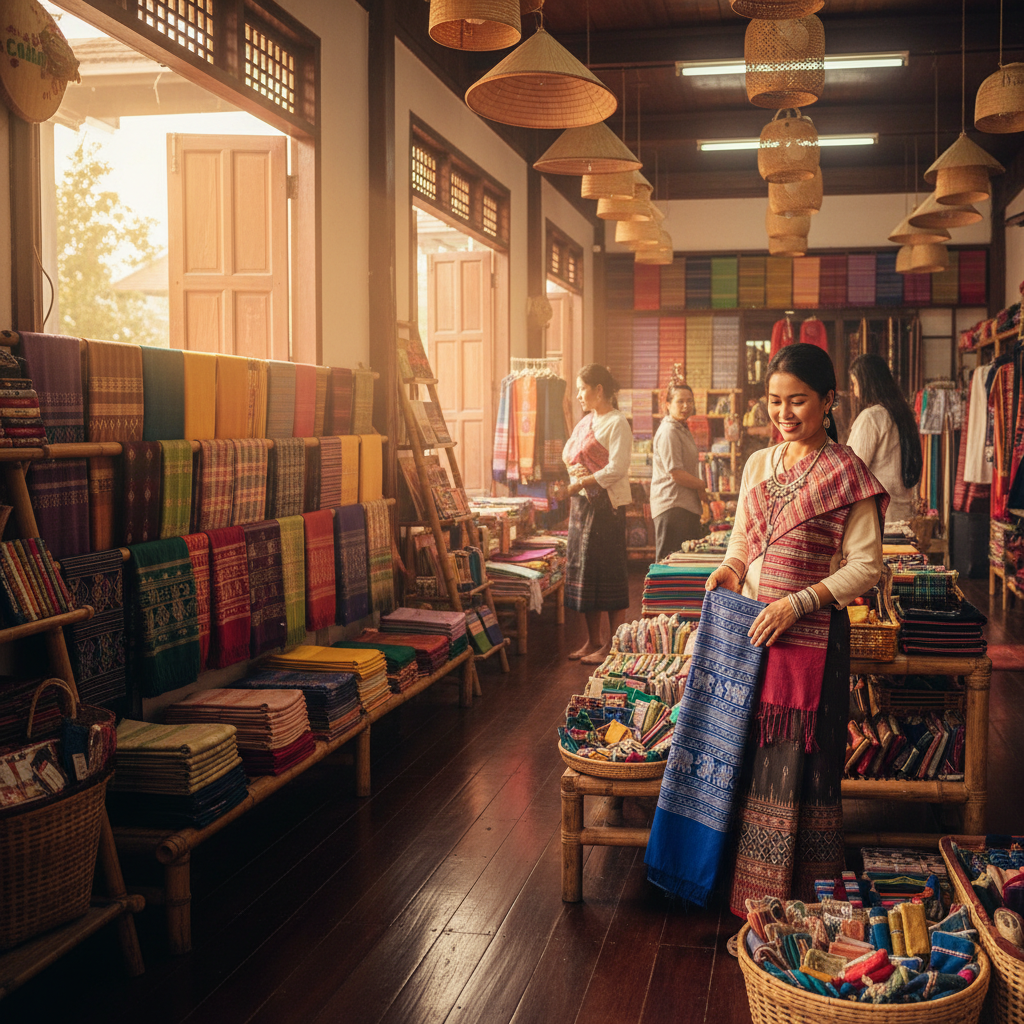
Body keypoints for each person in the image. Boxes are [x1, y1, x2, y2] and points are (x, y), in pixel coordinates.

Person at [702, 343, 887, 914]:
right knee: (751, 766)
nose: (784, 414)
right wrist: (730, 569)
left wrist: (798, 604)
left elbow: (867, 566)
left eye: (798, 402)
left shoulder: (845, 473)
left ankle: (802, 916)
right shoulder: (760, 464)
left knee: (804, 777)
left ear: (829, 401)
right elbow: (742, 540)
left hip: (810, 647)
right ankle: (751, 908)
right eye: (775, 402)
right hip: (754, 638)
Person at [562, 363, 633, 664]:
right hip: (582, 506)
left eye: (582, 388)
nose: (578, 395)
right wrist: (575, 473)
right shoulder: (584, 423)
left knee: (609, 573)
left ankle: (612, 647)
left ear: (599, 390)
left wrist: (583, 480)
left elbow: (617, 468)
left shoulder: (617, 423)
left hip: (608, 508)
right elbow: (568, 455)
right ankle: (593, 641)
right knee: (586, 572)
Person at [847, 353, 923, 526]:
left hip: (876, 516)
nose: (854, 390)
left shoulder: (871, 417)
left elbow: (853, 470)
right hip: (902, 512)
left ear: (866, 383)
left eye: (855, 384)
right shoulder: (902, 414)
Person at [651, 380, 707, 562]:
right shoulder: (669, 431)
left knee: (684, 565)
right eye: (680, 401)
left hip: (684, 506)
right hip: (672, 506)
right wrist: (701, 486)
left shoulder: (681, 428)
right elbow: (676, 473)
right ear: (668, 405)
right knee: (669, 565)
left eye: (690, 401)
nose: (686, 406)